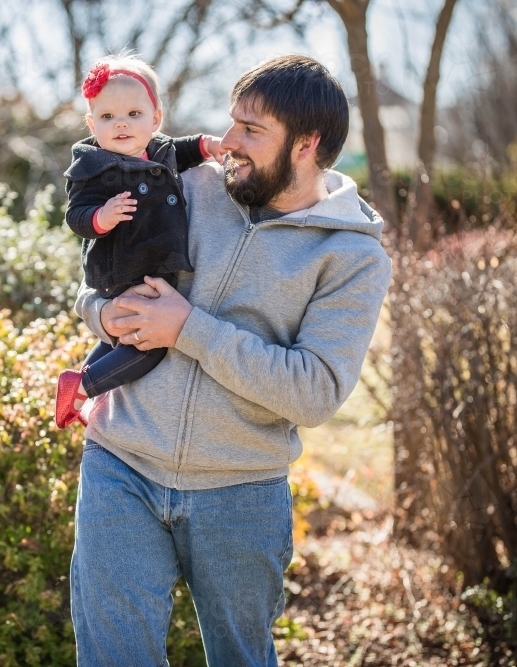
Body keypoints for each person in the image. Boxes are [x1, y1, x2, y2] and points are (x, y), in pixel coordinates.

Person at [69, 54, 393, 666]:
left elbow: (315, 392)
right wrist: (101, 315)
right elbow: (96, 275)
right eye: (233, 122)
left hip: (239, 491)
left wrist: (189, 329)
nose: (230, 143)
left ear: (306, 145)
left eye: (252, 130)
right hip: (121, 465)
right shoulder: (186, 184)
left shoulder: (352, 257)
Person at [53, 54, 225, 428]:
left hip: (147, 266)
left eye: (134, 114)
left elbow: (183, 150)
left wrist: (207, 146)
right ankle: (85, 385)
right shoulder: (94, 167)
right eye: (108, 117)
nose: (121, 125)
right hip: (123, 267)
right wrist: (102, 217)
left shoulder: (159, 150)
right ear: (91, 123)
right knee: (151, 346)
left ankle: (75, 390)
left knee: (124, 336)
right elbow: (75, 215)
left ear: (155, 119)